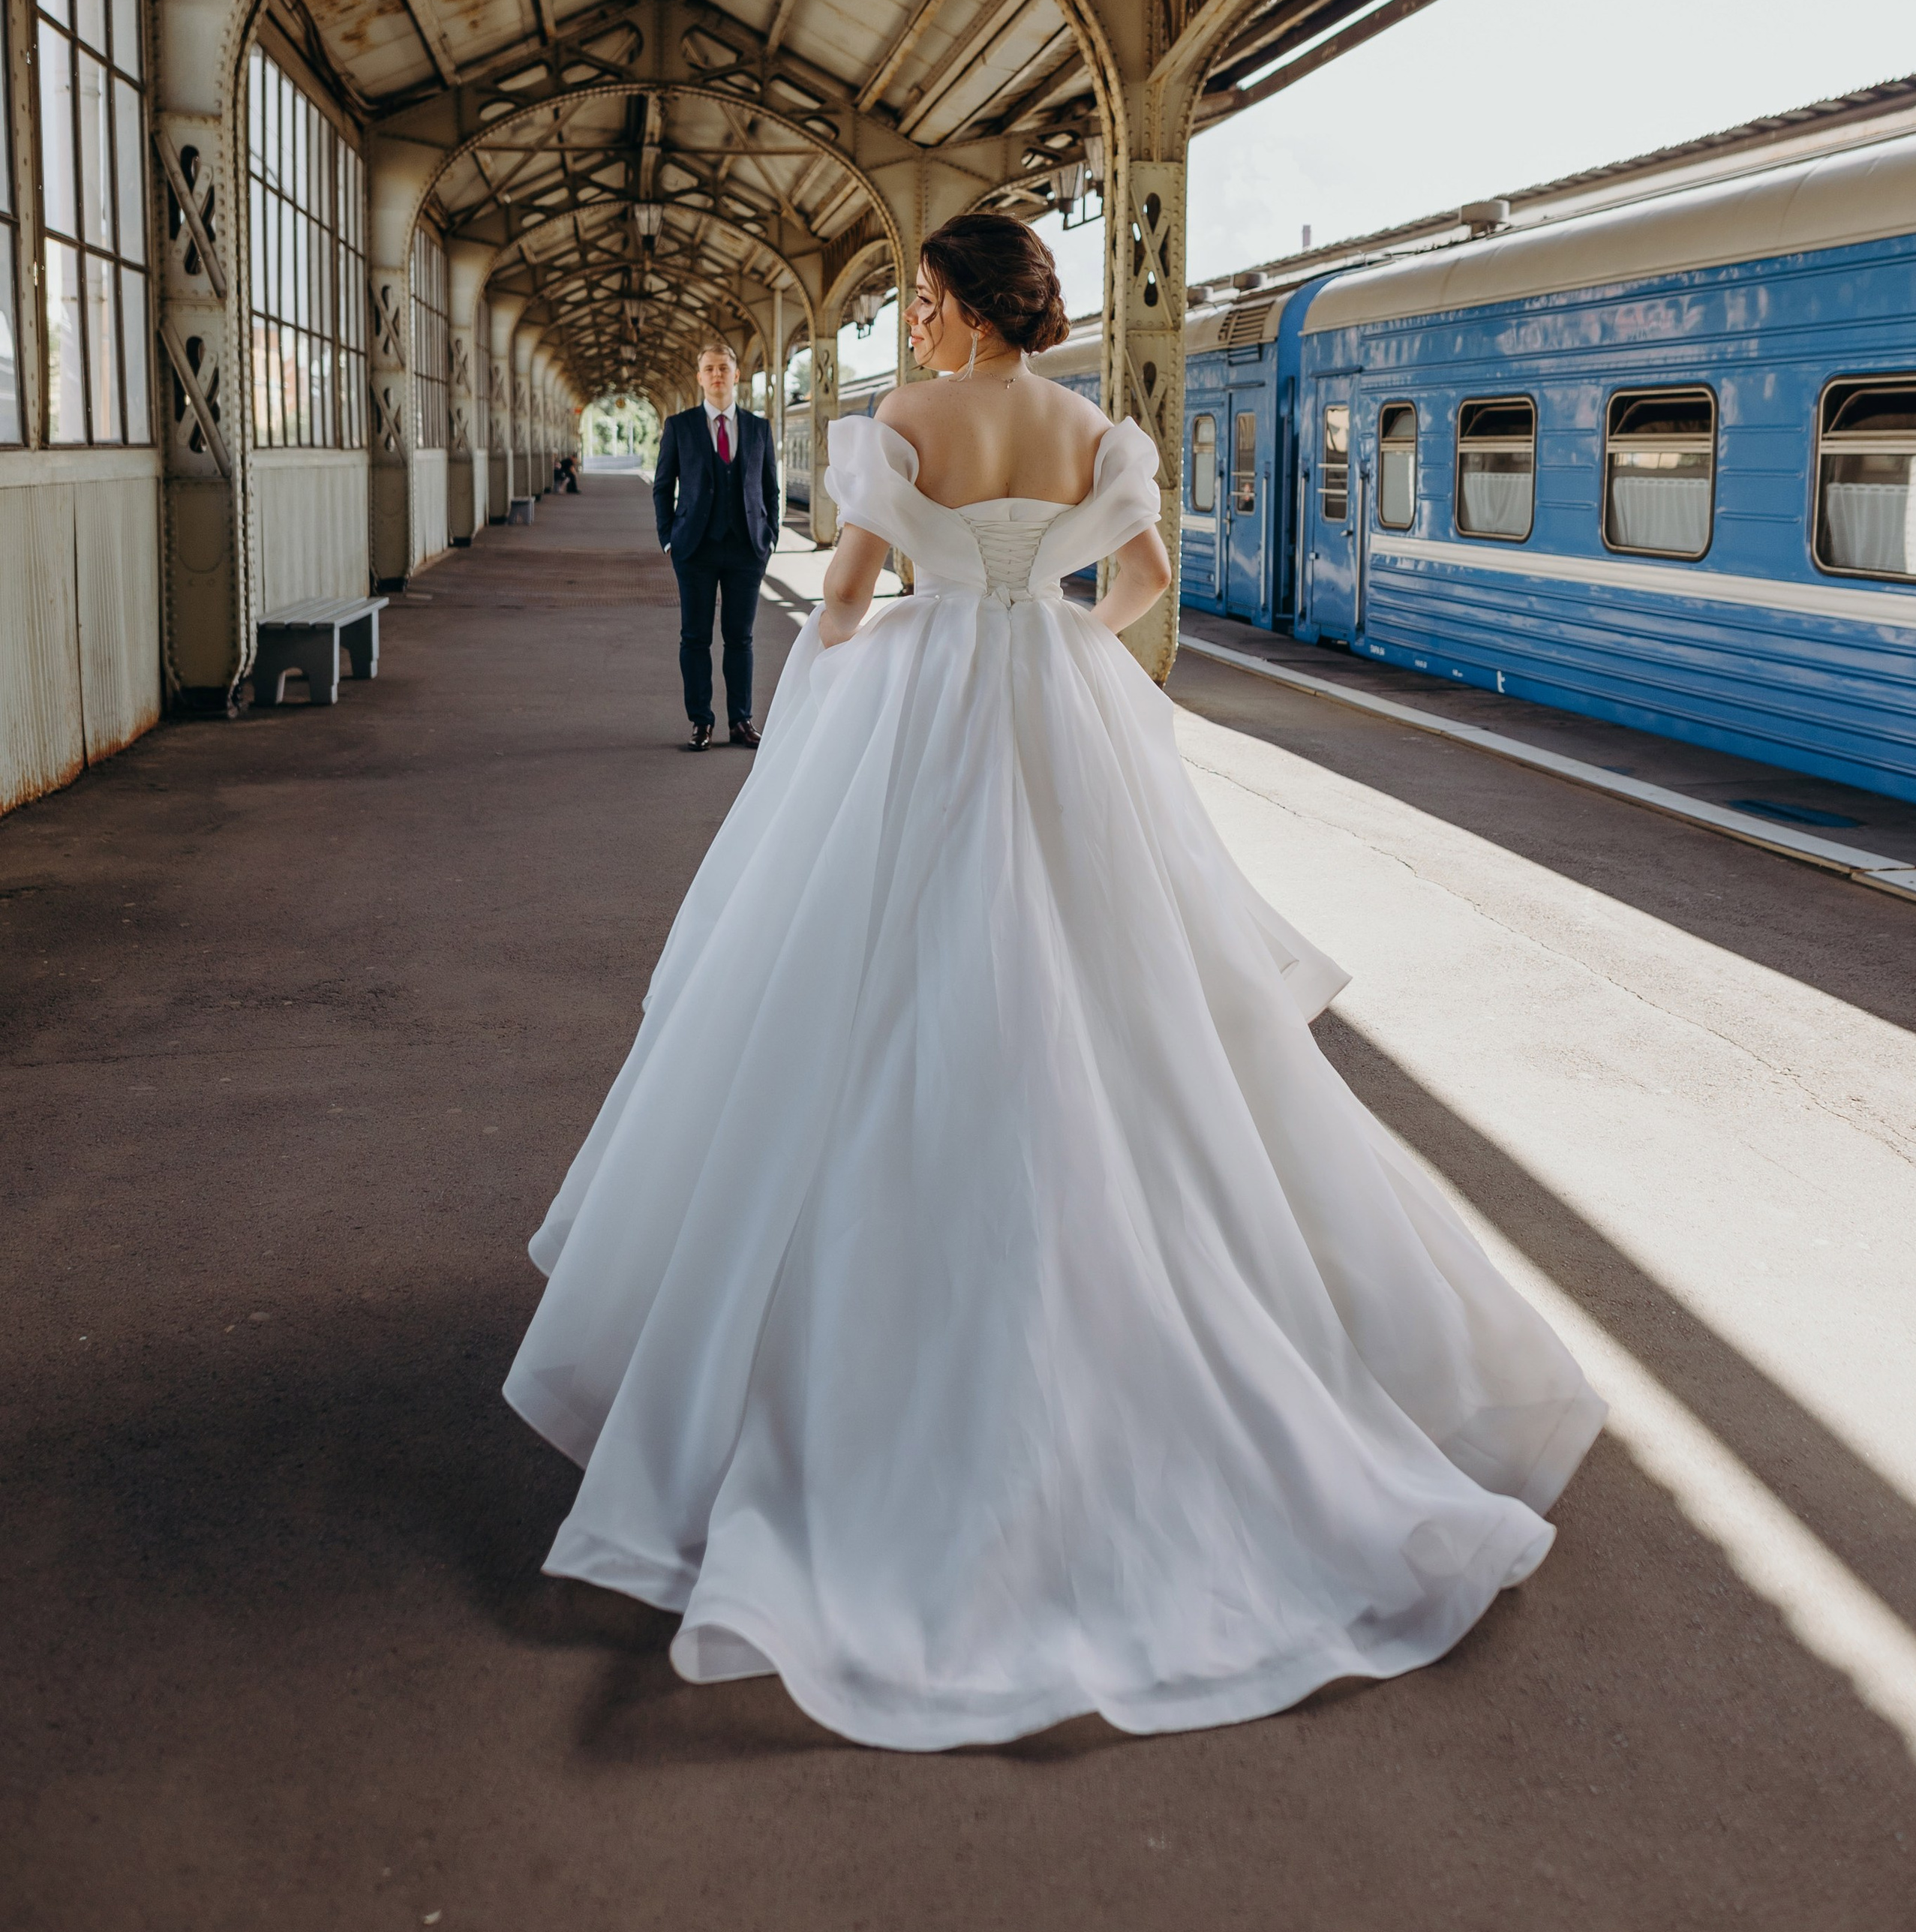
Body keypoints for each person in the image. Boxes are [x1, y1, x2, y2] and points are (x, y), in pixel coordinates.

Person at [506, 215, 1604, 1752]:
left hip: (925, 720)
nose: (920, 324)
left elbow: (844, 593)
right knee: (1119, 1022)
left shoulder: (902, 416)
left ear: (951, 306)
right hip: (1051, 713)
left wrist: (844, 682)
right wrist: (1064, 651)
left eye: (923, 302)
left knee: (875, 1003)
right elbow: (1147, 584)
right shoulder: (1094, 424)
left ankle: (876, 1354)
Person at [650, 338, 781, 750]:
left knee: (740, 638)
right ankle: (701, 721)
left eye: (724, 367)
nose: (717, 375)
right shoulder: (680, 426)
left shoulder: (759, 428)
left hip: (746, 549)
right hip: (694, 549)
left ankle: (741, 721)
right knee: (695, 638)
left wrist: (770, 538)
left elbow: (770, 489)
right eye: (709, 369)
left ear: (736, 374)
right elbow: (661, 487)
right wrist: (668, 540)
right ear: (699, 377)